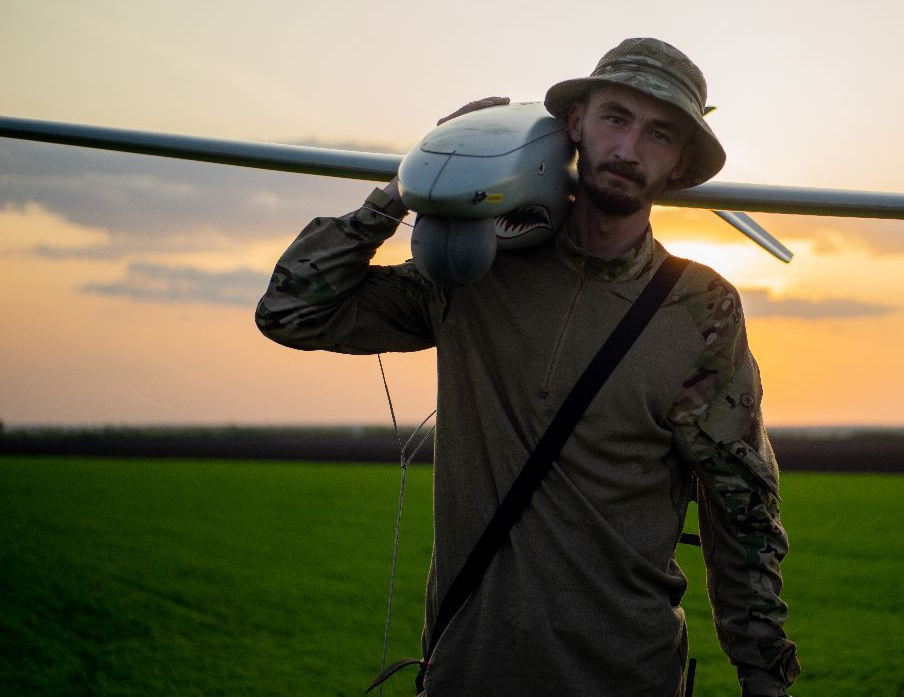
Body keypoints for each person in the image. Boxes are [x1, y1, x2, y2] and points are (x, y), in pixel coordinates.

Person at [256, 38, 800, 696]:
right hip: (468, 672)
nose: (629, 149)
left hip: (626, 677)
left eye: (659, 134)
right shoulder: (476, 270)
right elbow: (291, 311)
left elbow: (741, 506)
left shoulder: (701, 308)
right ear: (574, 125)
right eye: (615, 118)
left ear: (680, 161)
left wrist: (762, 674)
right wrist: (419, 177)